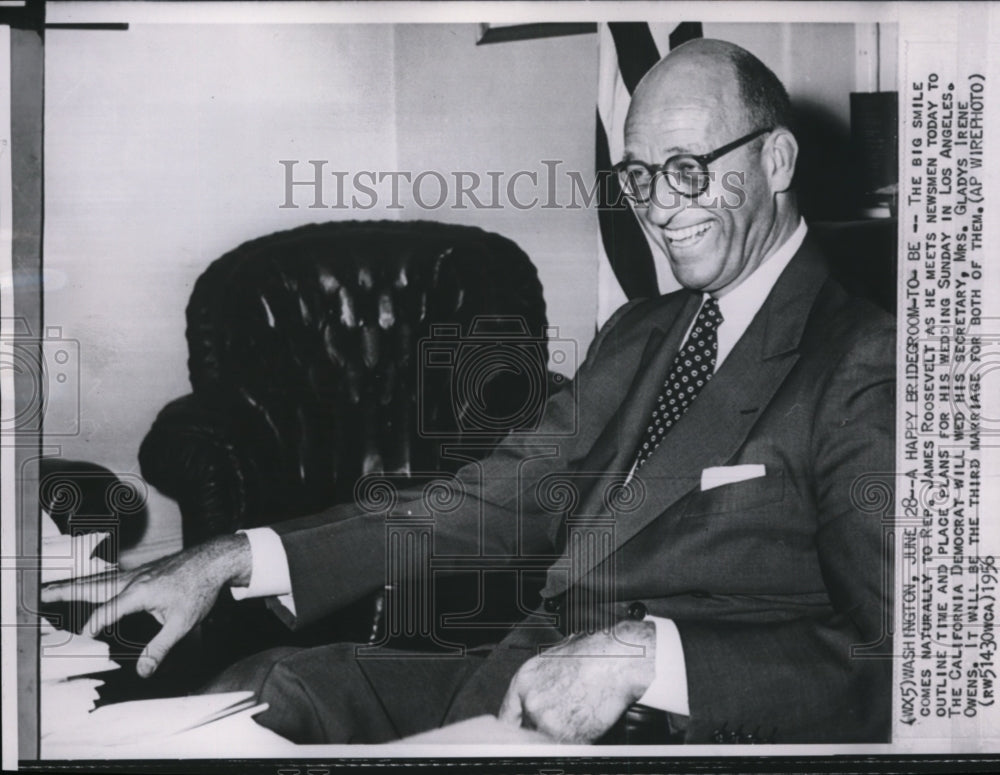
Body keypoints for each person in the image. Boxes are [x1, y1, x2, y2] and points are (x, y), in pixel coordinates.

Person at [43, 38, 894, 744]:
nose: (662, 208)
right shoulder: (645, 329)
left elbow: (903, 665)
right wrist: (237, 553)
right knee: (260, 698)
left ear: (777, 159)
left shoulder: (864, 360)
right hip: (512, 677)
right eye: (639, 176)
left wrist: (651, 656)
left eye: (687, 168)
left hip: (662, 726)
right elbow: (493, 498)